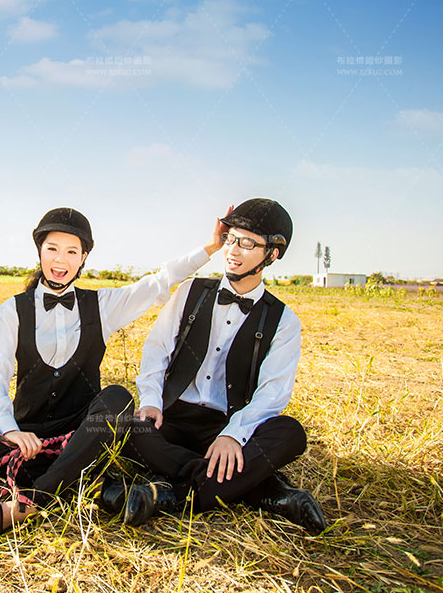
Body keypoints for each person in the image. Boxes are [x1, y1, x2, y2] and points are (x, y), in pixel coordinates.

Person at [0, 207, 228, 536]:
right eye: (52, 249)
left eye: (71, 252)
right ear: (39, 251)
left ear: (83, 258)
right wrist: (12, 431)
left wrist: (210, 249)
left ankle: (33, 500)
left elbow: (158, 282)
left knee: (119, 399)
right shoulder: (13, 310)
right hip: (30, 438)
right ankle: (86, 480)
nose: (60, 260)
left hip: (83, 434)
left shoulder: (102, 305)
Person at [108, 198, 327, 534]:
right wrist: (151, 400)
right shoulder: (190, 291)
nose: (233, 251)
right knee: (129, 428)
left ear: (272, 254)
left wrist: (234, 436)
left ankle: (170, 496)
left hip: (229, 422)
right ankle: (268, 492)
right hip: (173, 418)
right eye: (231, 239)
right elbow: (156, 351)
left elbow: (273, 393)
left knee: (290, 434)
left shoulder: (284, 320)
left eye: (248, 243)